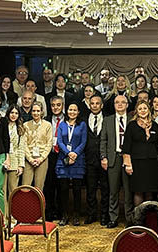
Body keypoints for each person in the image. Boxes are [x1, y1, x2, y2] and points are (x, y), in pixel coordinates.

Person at [101, 95, 134, 228]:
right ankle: (113, 218)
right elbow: (103, 140)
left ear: (127, 105)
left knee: (128, 191)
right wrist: (103, 157)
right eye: (117, 102)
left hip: (128, 159)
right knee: (113, 191)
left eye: (123, 102)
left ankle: (129, 218)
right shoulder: (107, 120)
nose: (120, 104)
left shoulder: (132, 119)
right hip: (113, 158)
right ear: (114, 105)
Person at [123, 101, 158, 206]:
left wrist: (148, 133)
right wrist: (128, 164)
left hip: (151, 163)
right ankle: (138, 215)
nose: (143, 111)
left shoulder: (155, 125)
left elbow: (157, 144)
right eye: (140, 109)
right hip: (137, 163)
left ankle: (148, 216)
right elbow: (126, 146)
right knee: (138, 191)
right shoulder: (131, 125)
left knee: (150, 192)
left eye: (145, 108)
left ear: (149, 110)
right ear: (136, 111)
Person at [56, 103, 86, 225]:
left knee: (77, 189)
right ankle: (64, 215)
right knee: (63, 189)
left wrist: (75, 153)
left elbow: (83, 142)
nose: (72, 112)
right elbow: (59, 141)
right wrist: (68, 153)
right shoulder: (62, 125)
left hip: (78, 160)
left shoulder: (82, 125)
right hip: (63, 159)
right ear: (67, 111)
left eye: (74, 110)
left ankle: (76, 216)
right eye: (70, 109)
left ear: (78, 112)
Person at [84, 95, 109, 225]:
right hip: (89, 159)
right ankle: (91, 214)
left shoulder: (108, 119)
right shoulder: (83, 119)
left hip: (104, 159)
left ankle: (104, 215)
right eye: (92, 103)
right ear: (89, 105)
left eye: (97, 103)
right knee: (90, 188)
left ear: (102, 105)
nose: (94, 105)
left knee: (105, 188)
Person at [3, 105, 26, 222]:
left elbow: (21, 148)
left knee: (13, 191)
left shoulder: (20, 128)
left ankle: (13, 218)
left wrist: (21, 165)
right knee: (2, 191)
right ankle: (4, 217)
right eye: (12, 112)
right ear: (8, 113)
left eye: (16, 113)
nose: (13, 115)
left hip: (15, 160)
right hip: (3, 160)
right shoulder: (2, 126)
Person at [21, 102, 51, 189]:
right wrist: (30, 159)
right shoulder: (26, 125)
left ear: (42, 112)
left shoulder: (47, 125)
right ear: (31, 112)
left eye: (38, 111)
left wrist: (41, 159)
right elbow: (24, 144)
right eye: (34, 111)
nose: (36, 113)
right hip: (28, 159)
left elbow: (49, 144)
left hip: (42, 159)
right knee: (25, 186)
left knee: (39, 187)